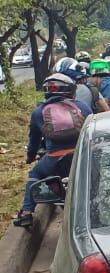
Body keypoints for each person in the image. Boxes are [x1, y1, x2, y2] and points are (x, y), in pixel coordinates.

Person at [13, 72, 90, 228]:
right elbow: (93, 130)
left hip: (54, 159)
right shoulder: (82, 107)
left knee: (34, 174)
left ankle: (26, 213)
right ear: (71, 90)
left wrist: (30, 158)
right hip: (81, 156)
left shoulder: (38, 112)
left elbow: (34, 141)